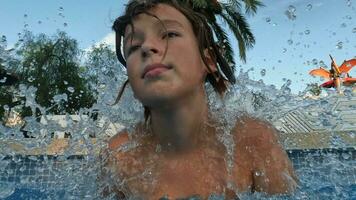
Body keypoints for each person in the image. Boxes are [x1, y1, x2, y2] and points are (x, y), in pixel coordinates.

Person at [98, 0, 298, 199]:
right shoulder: (119, 157)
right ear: (132, 82)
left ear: (208, 61)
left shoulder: (255, 141)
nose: (147, 47)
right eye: (133, 46)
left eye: (169, 34)